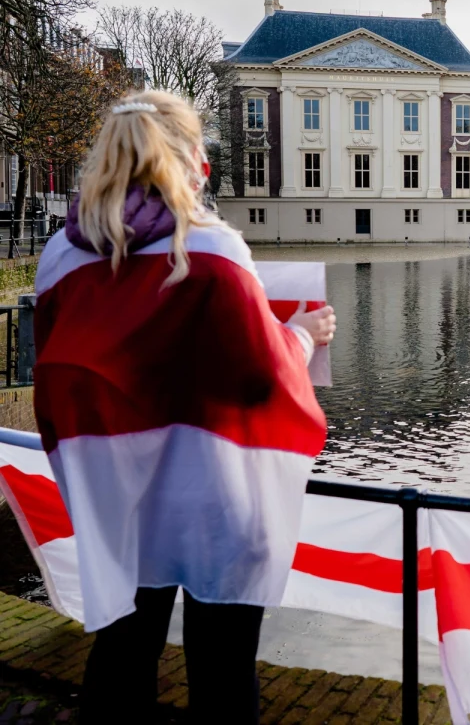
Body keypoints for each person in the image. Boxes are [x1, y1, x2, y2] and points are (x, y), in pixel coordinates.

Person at [33, 90, 336, 723]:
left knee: (120, 659)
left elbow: (59, 375)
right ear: (190, 158)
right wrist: (305, 335)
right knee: (223, 672)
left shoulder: (61, 256)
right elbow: (258, 378)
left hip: (120, 496)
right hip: (217, 497)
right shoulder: (213, 249)